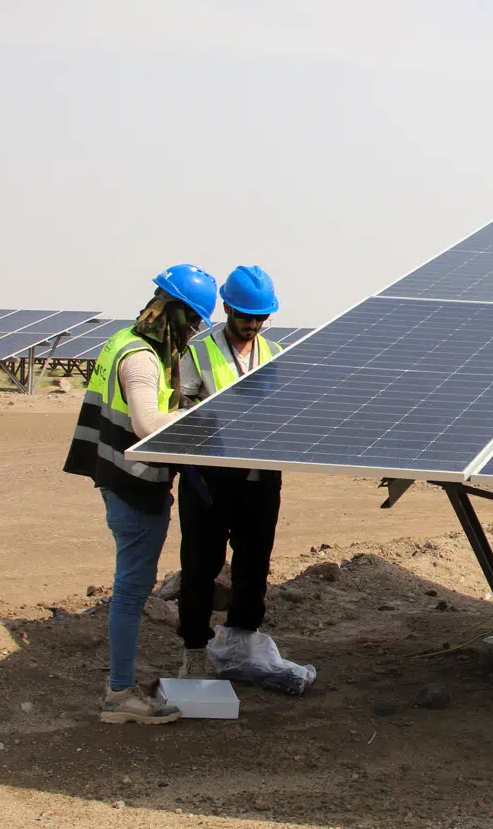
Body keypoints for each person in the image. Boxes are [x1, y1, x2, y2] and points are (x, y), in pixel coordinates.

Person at [63, 264, 218, 724]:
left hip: (119, 480)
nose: (192, 334)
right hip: (132, 487)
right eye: (190, 322)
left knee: (130, 588)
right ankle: (120, 694)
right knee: (131, 591)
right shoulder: (141, 358)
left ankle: (120, 684)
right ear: (173, 311)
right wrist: (200, 417)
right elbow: (147, 425)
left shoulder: (123, 341)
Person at [175, 265, 285, 679]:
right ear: (226, 308)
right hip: (210, 481)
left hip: (260, 482)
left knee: (254, 566)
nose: (252, 325)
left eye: (260, 318)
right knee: (201, 566)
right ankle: (194, 649)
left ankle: (243, 644)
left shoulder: (275, 354)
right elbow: (181, 412)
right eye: (245, 316)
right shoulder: (198, 353)